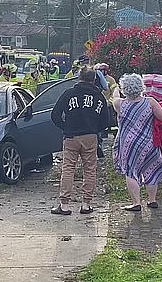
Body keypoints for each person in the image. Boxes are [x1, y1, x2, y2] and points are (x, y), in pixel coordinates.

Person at [111, 73, 162, 211]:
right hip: (148, 142)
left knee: (130, 171)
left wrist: (115, 88)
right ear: (141, 87)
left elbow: (114, 97)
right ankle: (152, 200)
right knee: (151, 169)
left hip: (128, 144)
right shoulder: (150, 102)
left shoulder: (120, 104)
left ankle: (136, 203)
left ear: (124, 89)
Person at [50, 67, 108, 215]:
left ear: (79, 77)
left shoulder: (69, 94)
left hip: (71, 137)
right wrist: (95, 130)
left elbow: (55, 114)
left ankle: (64, 205)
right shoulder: (99, 97)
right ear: (94, 80)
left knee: (68, 169)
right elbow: (105, 121)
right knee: (90, 170)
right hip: (90, 137)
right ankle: (86, 204)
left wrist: (65, 127)